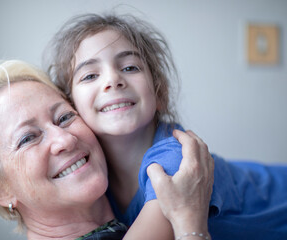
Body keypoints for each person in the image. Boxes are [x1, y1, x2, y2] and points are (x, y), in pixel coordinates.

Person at [46, 12, 287, 239]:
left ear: (159, 93)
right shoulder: (92, 178)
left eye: (130, 67)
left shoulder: (174, 160)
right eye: (89, 75)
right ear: (72, 108)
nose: (113, 80)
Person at [0, 60, 214, 240]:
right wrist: (190, 224)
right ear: (0, 189)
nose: (64, 140)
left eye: (64, 117)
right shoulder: (182, 208)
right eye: (28, 138)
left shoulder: (138, 195)